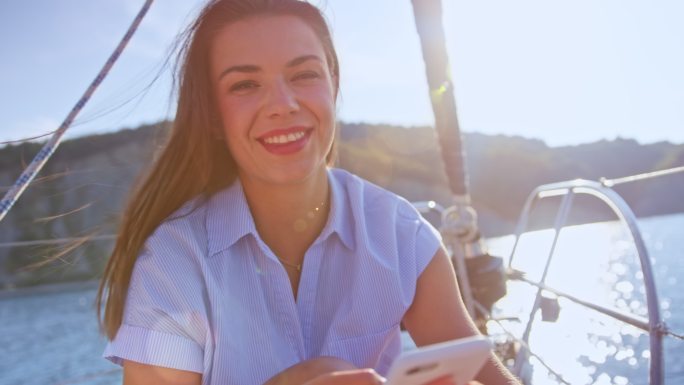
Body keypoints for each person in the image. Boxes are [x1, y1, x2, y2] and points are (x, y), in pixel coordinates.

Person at [96, 1, 521, 384]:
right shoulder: (174, 261)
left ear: (333, 86)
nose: (283, 104)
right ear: (211, 115)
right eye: (245, 85)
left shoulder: (401, 235)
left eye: (304, 75)